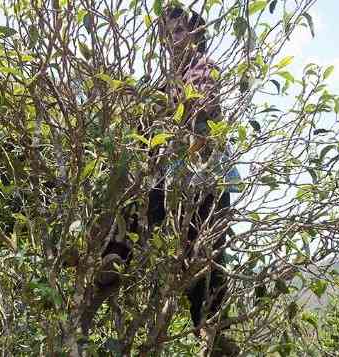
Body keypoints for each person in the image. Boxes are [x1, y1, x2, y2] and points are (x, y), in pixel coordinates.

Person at [87, 5, 240, 355]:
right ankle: (113, 258)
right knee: (140, 205)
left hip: (204, 176)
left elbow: (199, 104)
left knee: (204, 251)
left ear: (196, 35)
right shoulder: (167, 79)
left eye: (177, 31)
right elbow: (146, 109)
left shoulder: (203, 68)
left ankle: (211, 330)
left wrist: (160, 107)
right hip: (176, 173)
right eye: (166, 34)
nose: (170, 40)